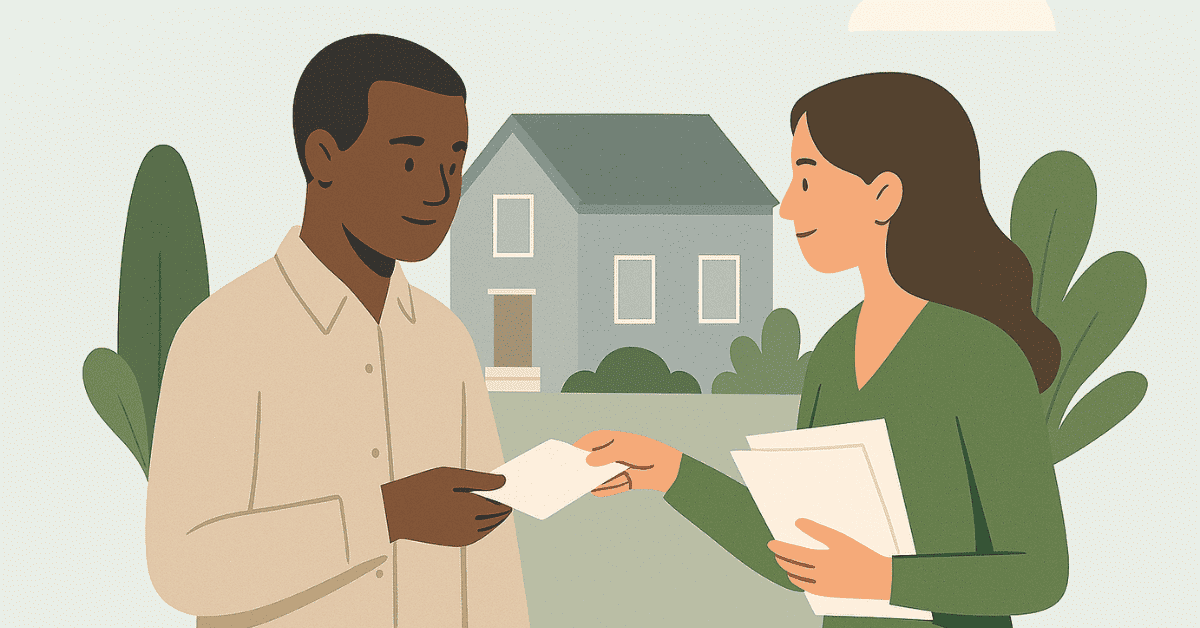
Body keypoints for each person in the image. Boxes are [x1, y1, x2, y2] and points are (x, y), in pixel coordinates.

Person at [575, 72, 1069, 628]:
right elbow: (800, 551)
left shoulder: (980, 357)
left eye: (807, 181)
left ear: (884, 195)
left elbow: (1040, 574)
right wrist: (670, 471)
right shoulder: (835, 353)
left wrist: (885, 580)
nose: (787, 207)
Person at [146, 35, 530, 628]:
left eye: (453, 164)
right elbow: (183, 565)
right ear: (325, 156)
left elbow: (490, 568)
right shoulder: (224, 336)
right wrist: (387, 516)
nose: (439, 191)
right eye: (409, 161)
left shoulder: (446, 341)